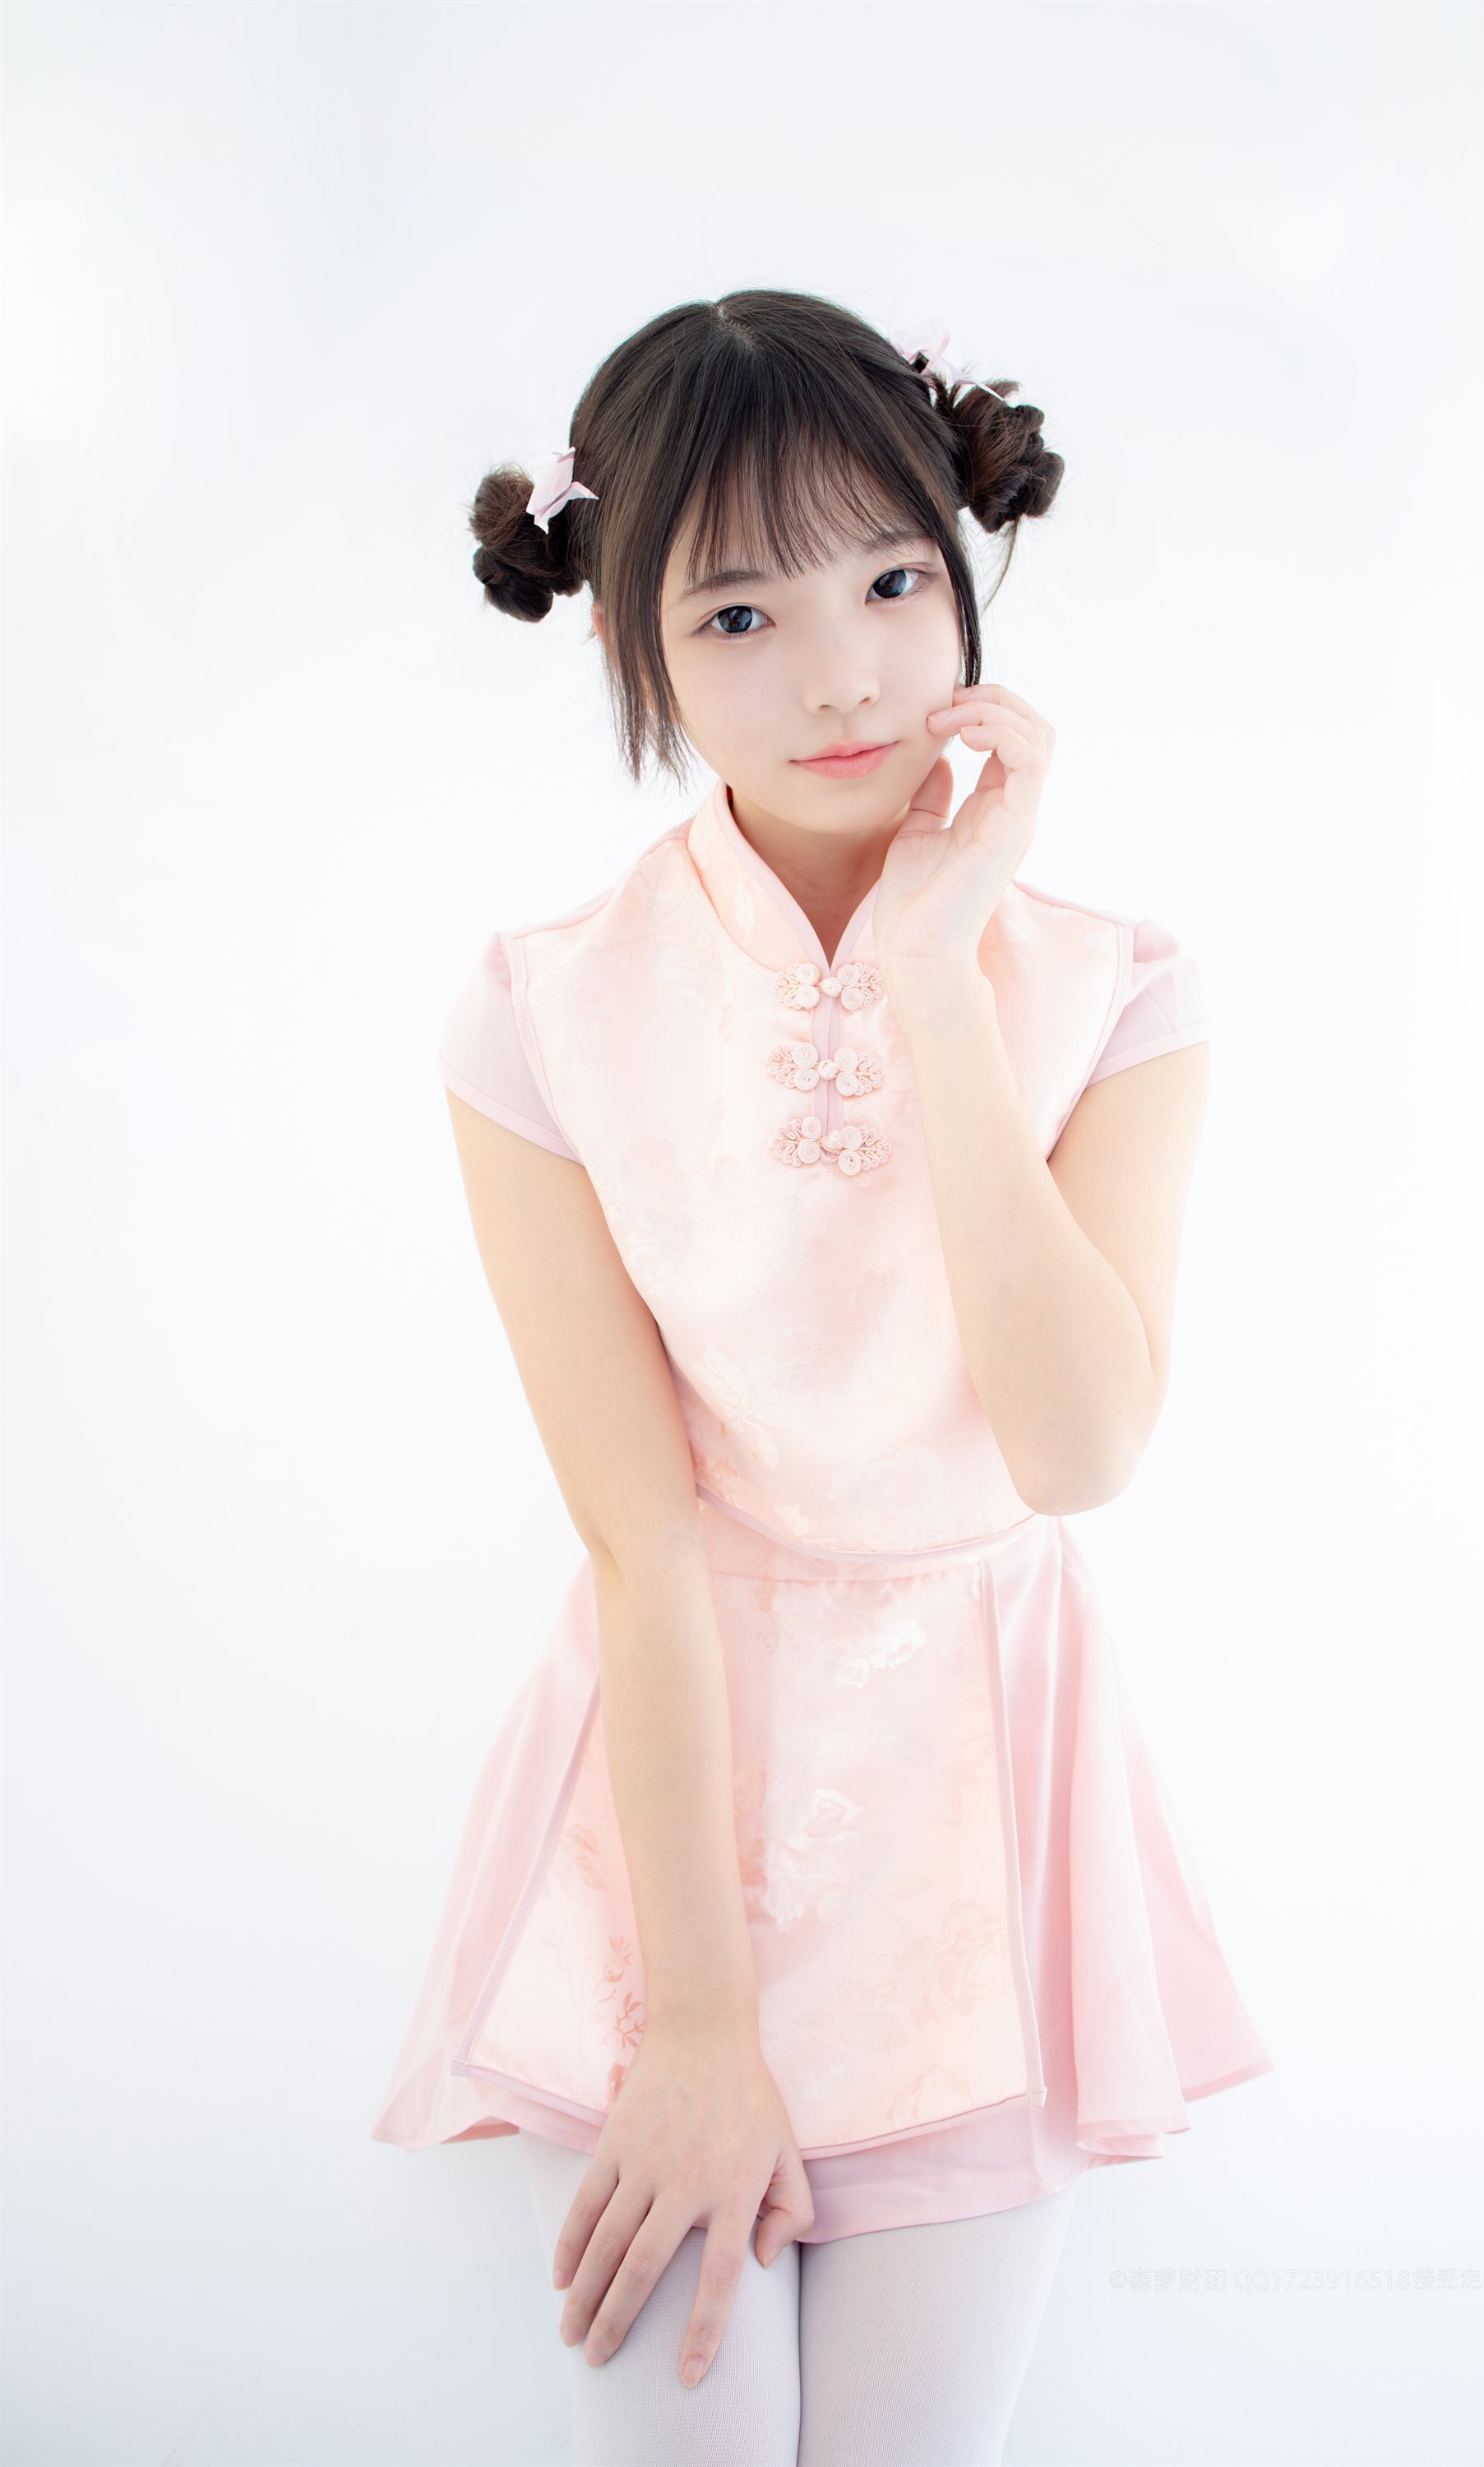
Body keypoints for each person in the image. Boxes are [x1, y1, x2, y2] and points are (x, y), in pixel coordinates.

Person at [371, 288, 1274, 2466]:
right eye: (742, 614)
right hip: (673, 1815)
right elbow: (639, 1536)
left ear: (963, 572)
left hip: (984, 1809)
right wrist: (698, 2028)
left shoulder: (1118, 986)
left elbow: (1074, 1448)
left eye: (890, 581)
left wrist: (940, 971)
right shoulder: (542, 1010)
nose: (846, 671)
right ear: (637, 650)